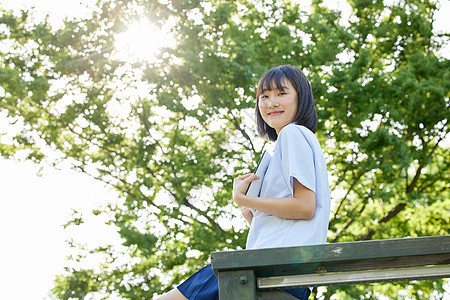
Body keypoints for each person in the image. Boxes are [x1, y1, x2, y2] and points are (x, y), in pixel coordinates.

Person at [158, 65, 331, 300]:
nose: (271, 103)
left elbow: (304, 206)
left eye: (281, 93)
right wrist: (254, 214)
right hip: (283, 272)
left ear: (301, 98)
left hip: (269, 269)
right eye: (264, 96)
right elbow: (296, 216)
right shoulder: (297, 140)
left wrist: (243, 197)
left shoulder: (293, 134)